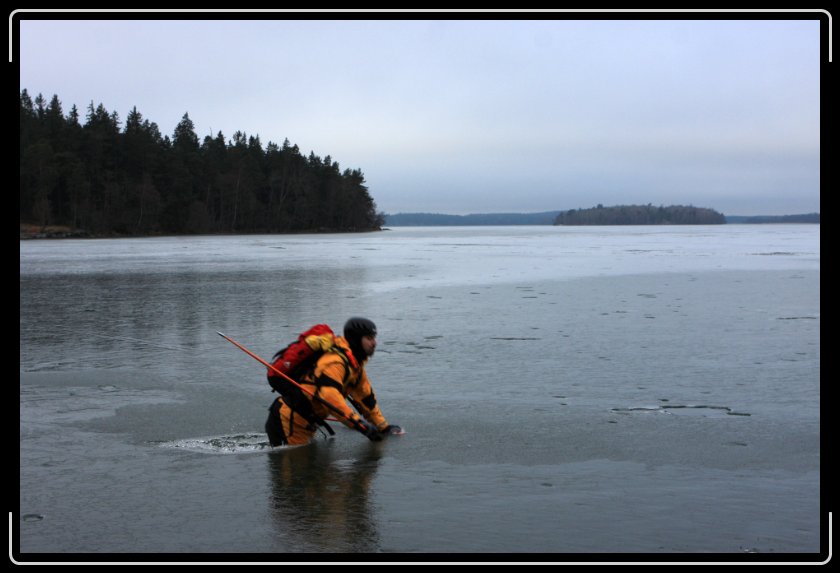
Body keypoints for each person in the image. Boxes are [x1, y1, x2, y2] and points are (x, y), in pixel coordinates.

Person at [265, 317, 402, 446]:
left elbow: (366, 398)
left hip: (305, 423)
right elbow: (331, 399)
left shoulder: (355, 365)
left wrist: (383, 427)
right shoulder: (334, 362)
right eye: (369, 338)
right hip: (287, 422)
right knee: (300, 469)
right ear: (356, 340)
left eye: (374, 338)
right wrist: (360, 425)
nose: (374, 343)